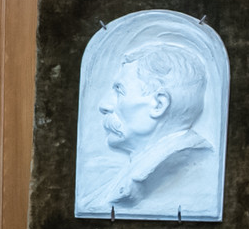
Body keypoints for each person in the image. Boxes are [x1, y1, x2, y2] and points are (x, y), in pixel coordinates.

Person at [89, 42, 214, 210]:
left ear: (158, 105)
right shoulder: (132, 169)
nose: (104, 105)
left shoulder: (185, 171)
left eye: (119, 91)